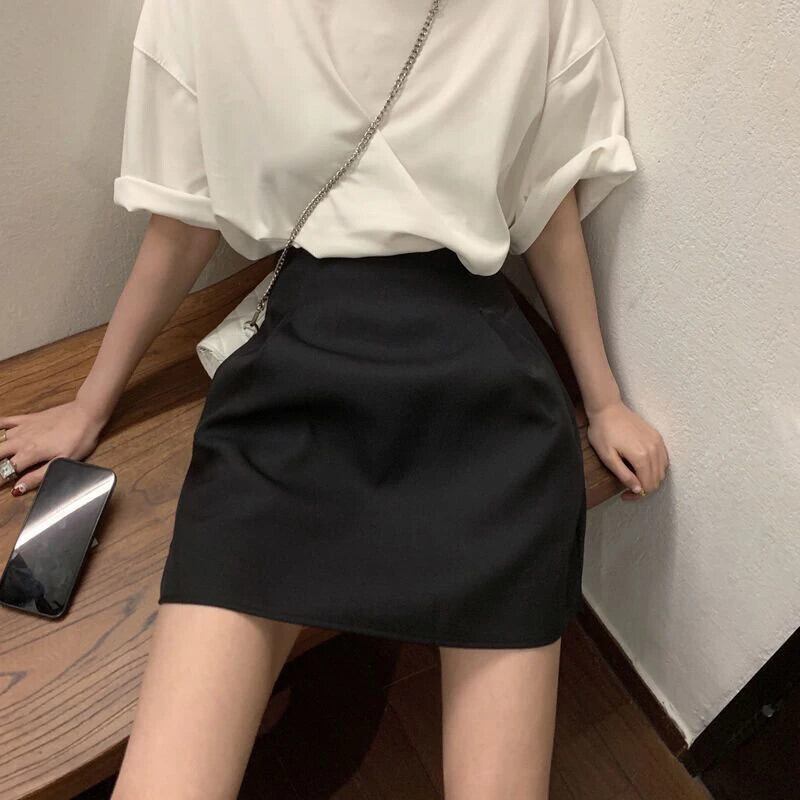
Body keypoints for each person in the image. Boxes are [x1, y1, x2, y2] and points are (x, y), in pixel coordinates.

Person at [1, 0, 669, 797]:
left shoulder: (535, 10)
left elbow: (547, 209)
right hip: (291, 386)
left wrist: (604, 401)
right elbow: (181, 229)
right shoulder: (208, 13)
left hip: (481, 396)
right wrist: (89, 406)